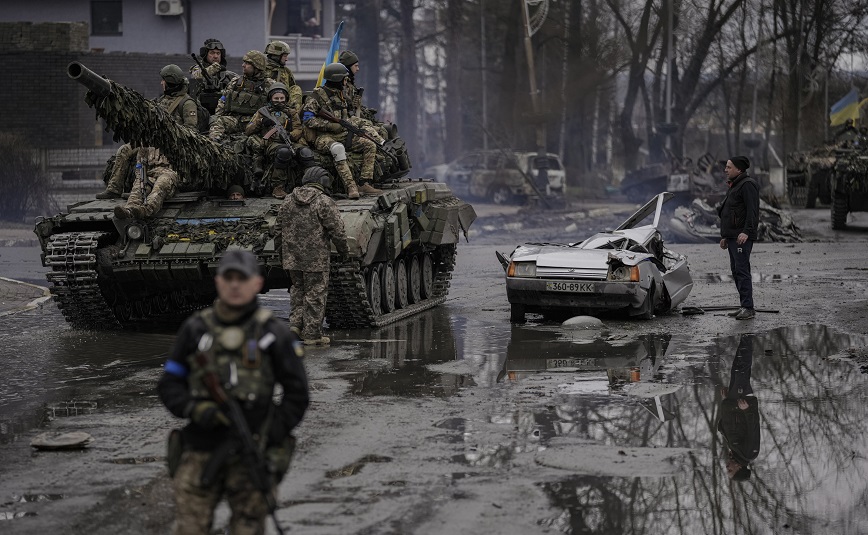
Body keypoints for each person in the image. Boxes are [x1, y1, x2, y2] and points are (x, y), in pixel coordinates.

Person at [157, 249, 309, 534]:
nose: (235, 285)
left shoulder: (274, 334)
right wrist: (195, 409)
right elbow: (169, 384)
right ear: (218, 282)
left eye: (243, 278)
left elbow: (297, 395)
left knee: (249, 527)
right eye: (229, 278)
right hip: (201, 448)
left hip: (252, 452)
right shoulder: (196, 329)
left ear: (257, 284)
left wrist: (269, 431)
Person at [98, 65, 195, 202]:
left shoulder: (186, 103)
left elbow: (191, 131)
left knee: (144, 159)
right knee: (124, 150)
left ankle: (138, 191)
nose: (161, 83)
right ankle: (114, 189)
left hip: (169, 146)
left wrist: (170, 134)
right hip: (152, 141)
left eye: (163, 81)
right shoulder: (161, 100)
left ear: (169, 82)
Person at [278, 166, 349, 345]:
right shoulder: (324, 201)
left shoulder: (287, 200)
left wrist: (283, 252)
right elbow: (337, 230)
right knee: (315, 294)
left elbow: (277, 228)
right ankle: (312, 335)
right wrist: (343, 251)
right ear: (323, 182)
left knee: (297, 290)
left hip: (292, 257)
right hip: (316, 258)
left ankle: (295, 325)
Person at [302, 62, 380, 199]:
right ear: (337, 79)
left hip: (342, 133)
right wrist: (329, 125)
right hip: (323, 137)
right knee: (338, 149)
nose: (346, 81)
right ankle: (351, 186)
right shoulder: (315, 98)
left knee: (370, 144)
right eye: (344, 79)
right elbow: (307, 119)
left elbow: (344, 118)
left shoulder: (341, 96)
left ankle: (364, 183)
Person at [718, 156, 760, 320]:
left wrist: (746, 232)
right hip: (733, 236)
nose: (725, 170)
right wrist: (725, 236)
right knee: (736, 271)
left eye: (729, 167)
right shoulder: (735, 185)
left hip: (742, 237)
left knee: (742, 271)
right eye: (726, 167)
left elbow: (752, 211)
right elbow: (729, 212)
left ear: (739, 169)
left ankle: (748, 308)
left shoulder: (747, 185)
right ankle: (744, 305)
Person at [245, 82, 303, 199]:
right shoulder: (262, 112)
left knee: (305, 153)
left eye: (282, 98)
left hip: (288, 141)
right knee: (284, 152)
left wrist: (290, 135)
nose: (279, 101)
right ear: (270, 98)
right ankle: (278, 187)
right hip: (270, 143)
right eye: (276, 98)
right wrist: (260, 122)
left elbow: (298, 129)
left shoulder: (291, 113)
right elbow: (248, 130)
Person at [716, 334, 760, 481]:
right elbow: (753, 428)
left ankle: (745, 336)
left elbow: (729, 427)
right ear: (739, 468)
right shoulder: (749, 454)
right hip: (742, 403)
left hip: (732, 401)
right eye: (730, 470)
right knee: (742, 368)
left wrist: (726, 399)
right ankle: (747, 335)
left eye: (727, 469)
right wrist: (746, 410)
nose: (727, 466)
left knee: (737, 369)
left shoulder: (735, 452)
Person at [209, 50, 273, 142]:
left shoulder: (269, 85)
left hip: (255, 122)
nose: (243, 65)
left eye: (247, 63)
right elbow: (223, 101)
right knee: (219, 123)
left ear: (257, 67)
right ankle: (214, 146)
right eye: (244, 62)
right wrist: (217, 117)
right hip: (235, 120)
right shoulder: (236, 82)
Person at [338, 50, 389, 142]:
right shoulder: (343, 86)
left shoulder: (349, 84)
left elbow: (356, 106)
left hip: (354, 119)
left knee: (385, 128)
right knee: (381, 132)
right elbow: (349, 109)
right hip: (348, 122)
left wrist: (365, 111)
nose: (358, 69)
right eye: (355, 66)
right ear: (348, 67)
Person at [190, 38, 237, 115]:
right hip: (200, 110)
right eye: (212, 53)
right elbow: (196, 76)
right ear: (205, 54)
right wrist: (215, 67)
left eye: (218, 53)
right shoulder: (197, 69)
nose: (215, 56)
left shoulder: (228, 75)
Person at [264, 40, 302, 111]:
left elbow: (292, 90)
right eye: (285, 56)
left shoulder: (286, 71)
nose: (287, 59)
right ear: (276, 56)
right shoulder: (262, 69)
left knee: (296, 88)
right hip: (266, 106)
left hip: (284, 106)